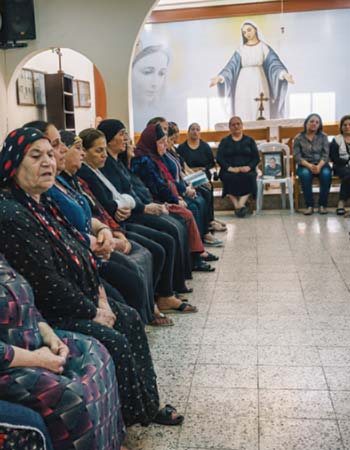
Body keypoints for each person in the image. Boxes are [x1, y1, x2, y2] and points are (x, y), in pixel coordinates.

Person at [0, 127, 184, 429]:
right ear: (13, 164)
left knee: (128, 317)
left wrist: (100, 297)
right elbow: (45, 283)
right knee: (114, 339)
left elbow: (77, 245)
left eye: (50, 154)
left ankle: (146, 407)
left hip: (81, 293)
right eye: (36, 156)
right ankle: (125, 420)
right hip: (51, 310)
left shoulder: (42, 202)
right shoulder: (11, 213)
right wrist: (93, 311)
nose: (48, 162)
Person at [24, 121, 162, 326]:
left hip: (95, 245)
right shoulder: (39, 197)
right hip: (84, 258)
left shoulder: (67, 181)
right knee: (130, 290)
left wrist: (106, 229)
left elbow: (91, 213)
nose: (60, 151)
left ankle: (152, 308)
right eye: (56, 145)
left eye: (58, 146)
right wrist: (103, 240)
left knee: (149, 255)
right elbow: (63, 240)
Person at [0, 253, 126, 450]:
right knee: (70, 398)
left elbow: (28, 305)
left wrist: (51, 337)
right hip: (9, 364)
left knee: (95, 352)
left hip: (32, 341)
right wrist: (38, 359)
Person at [77, 127, 198, 314]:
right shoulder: (86, 173)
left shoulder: (102, 167)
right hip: (118, 224)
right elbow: (108, 205)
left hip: (122, 219)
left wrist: (130, 204)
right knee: (162, 242)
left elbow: (126, 193)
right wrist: (127, 210)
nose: (103, 155)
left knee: (175, 227)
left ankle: (166, 292)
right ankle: (157, 301)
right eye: (98, 150)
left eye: (103, 150)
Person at [132, 123, 215, 272]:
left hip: (166, 197)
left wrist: (180, 193)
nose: (165, 146)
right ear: (152, 142)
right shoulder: (144, 160)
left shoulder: (156, 157)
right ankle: (194, 258)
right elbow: (158, 186)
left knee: (198, 202)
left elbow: (170, 179)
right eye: (161, 142)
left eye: (166, 142)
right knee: (188, 213)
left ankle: (197, 253)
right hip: (155, 201)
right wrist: (176, 199)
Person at [210, 20, 294, 121]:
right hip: (243, 85)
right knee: (244, 109)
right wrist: (220, 77)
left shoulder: (263, 47)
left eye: (249, 30)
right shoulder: (241, 49)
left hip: (260, 81)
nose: (247, 34)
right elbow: (231, 66)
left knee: (260, 107)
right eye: (244, 32)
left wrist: (284, 74)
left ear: (255, 30)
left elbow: (274, 63)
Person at [165, 124, 223, 248]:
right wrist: (191, 183)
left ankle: (208, 224)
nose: (176, 135)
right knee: (199, 199)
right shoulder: (179, 148)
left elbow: (184, 167)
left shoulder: (174, 149)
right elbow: (180, 173)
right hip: (183, 183)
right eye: (173, 133)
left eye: (176, 132)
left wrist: (200, 178)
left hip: (189, 177)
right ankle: (204, 233)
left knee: (207, 189)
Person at [175, 121, 227, 232]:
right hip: (188, 175)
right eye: (192, 129)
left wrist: (203, 169)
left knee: (209, 187)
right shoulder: (182, 147)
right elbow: (181, 165)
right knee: (204, 190)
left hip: (203, 174)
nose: (195, 131)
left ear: (200, 133)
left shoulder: (205, 146)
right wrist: (193, 170)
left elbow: (211, 164)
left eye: (197, 129)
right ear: (188, 133)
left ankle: (211, 218)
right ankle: (207, 221)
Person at [216, 116, 260, 217]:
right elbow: (219, 158)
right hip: (230, 170)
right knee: (227, 177)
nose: (236, 126)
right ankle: (239, 206)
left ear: (242, 125)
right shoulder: (225, 141)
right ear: (229, 127)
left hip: (247, 169)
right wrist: (230, 168)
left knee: (250, 176)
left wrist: (249, 167)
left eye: (238, 124)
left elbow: (256, 158)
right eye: (233, 124)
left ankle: (239, 205)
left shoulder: (249, 140)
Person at [293, 113, 331, 215]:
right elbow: (297, 156)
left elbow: (326, 154)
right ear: (306, 123)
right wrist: (309, 165)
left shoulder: (323, 137)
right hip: (305, 164)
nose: (314, 124)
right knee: (305, 174)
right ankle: (309, 206)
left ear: (319, 125)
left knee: (326, 174)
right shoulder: (298, 138)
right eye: (312, 121)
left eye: (317, 122)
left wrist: (319, 166)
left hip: (321, 164)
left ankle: (322, 205)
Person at [330, 115, 350, 215]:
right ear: (341, 127)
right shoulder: (336, 140)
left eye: (349, 124)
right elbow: (334, 158)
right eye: (344, 125)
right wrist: (347, 162)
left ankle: (342, 202)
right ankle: (341, 202)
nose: (347, 127)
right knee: (348, 175)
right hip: (340, 166)